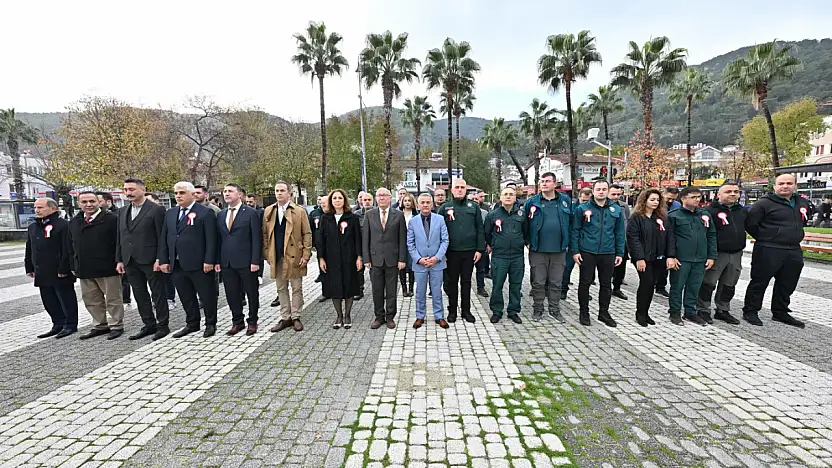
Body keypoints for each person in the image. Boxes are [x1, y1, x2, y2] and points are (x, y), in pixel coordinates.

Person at [742, 174, 809, 328]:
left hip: (793, 249)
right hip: (768, 248)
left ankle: (780, 312)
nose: (785, 186)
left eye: (789, 183)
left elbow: (803, 220)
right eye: (781, 183)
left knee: (788, 282)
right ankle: (751, 310)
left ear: (795, 186)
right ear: (774, 186)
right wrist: (767, 237)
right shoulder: (763, 204)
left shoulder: (801, 202)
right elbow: (751, 224)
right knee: (760, 281)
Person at [159, 182, 218, 338]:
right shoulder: (170, 213)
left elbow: (212, 239)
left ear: (192, 194)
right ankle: (192, 323)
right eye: (176, 193)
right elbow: (165, 237)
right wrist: (164, 259)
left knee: (207, 295)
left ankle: (210, 323)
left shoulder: (205, 212)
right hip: (177, 263)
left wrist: (209, 260)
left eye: (182, 193)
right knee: (186, 295)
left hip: (199, 263)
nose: (178, 196)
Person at [116, 178, 170, 341]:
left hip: (150, 259)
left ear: (143, 190)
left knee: (158, 293)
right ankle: (149, 324)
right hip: (130, 260)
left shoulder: (156, 210)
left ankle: (163, 325)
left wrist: (160, 258)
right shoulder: (122, 211)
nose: (128, 193)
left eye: (132, 189)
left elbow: (162, 236)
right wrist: (119, 259)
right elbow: (120, 237)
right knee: (139, 294)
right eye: (126, 190)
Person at [68, 192, 124, 340]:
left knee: (113, 299)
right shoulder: (74, 222)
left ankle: (116, 325)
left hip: (107, 267)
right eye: (84, 202)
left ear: (99, 202)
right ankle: (100, 325)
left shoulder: (112, 219)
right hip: (85, 268)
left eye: (92, 201)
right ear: (79, 204)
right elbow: (70, 245)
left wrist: (119, 261)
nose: (88, 204)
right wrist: (73, 264)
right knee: (91, 300)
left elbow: (119, 243)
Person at [571, 180, 625, 327]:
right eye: (598, 189)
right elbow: (575, 230)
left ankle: (604, 313)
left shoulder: (616, 209)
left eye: (604, 189)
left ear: (608, 191)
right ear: (593, 191)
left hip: (608, 252)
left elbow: (620, 233)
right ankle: (584, 312)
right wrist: (575, 251)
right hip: (587, 251)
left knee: (606, 284)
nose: (601, 192)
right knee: (585, 283)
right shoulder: (582, 209)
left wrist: (620, 253)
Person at [263, 181, 313, 332]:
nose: (279, 193)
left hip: (295, 255)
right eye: (277, 190)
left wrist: (306, 254)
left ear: (289, 193)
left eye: (282, 190)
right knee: (281, 288)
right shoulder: (269, 211)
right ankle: (285, 317)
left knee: (296, 287)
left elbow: (307, 234)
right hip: (277, 255)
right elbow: (265, 234)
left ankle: (296, 316)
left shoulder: (299, 211)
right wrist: (267, 253)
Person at [26, 198, 78, 339]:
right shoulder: (33, 226)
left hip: (59, 271)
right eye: (35, 207)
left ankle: (70, 324)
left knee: (65, 298)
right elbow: (30, 247)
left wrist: (64, 268)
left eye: (40, 207)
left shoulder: (63, 225)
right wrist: (29, 266)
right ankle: (57, 323)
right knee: (49, 300)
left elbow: (67, 249)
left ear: (53, 208)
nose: (37, 210)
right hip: (42, 270)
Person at [524, 172, 573, 322]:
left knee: (556, 282)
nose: (544, 183)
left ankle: (554, 309)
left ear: (555, 184)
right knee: (538, 282)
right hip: (538, 249)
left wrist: (568, 242)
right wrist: (527, 241)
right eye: (542, 181)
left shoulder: (565, 200)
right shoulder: (532, 202)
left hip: (559, 249)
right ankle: (538, 309)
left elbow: (571, 222)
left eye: (547, 181)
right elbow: (524, 223)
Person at [696, 181, 746, 325]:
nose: (732, 194)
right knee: (708, 283)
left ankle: (723, 310)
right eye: (728, 191)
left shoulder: (742, 211)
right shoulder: (708, 211)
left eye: (736, 192)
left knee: (729, 284)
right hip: (716, 254)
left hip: (736, 254)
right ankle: (703, 309)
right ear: (718, 194)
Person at [665, 187, 717, 326]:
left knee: (694, 287)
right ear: (683, 198)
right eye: (693, 197)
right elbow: (669, 238)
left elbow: (711, 235)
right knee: (677, 287)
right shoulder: (674, 215)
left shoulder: (704, 215)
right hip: (681, 258)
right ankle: (675, 312)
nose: (697, 200)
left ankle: (690, 312)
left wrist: (711, 256)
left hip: (700, 259)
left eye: (699, 197)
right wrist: (671, 256)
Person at [216, 183, 262, 336]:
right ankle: (237, 321)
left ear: (239, 194)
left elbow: (256, 239)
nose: (226, 193)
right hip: (227, 262)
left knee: (251, 293)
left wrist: (255, 261)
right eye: (225, 191)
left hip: (247, 261)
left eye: (230, 191)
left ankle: (252, 321)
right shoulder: (221, 214)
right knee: (232, 293)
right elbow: (219, 239)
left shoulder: (250, 213)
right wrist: (218, 261)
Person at [438, 178, 485, 323]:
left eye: (462, 187)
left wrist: (479, 249)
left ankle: (466, 311)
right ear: (452, 190)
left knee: (466, 282)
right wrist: (441, 252)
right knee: (452, 283)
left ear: (466, 190)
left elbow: (480, 229)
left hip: (469, 252)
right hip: (451, 252)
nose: (459, 190)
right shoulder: (445, 208)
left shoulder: (474, 207)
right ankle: (452, 311)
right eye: (457, 187)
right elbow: (438, 231)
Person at [362, 188, 407, 329]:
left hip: (392, 259)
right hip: (375, 259)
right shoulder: (369, 215)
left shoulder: (399, 215)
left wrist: (402, 259)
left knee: (391, 290)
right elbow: (365, 238)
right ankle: (379, 317)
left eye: (384, 195)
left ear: (390, 198)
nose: (381, 198)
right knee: (377, 290)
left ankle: (390, 317)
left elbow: (402, 238)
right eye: (379, 195)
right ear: (376, 198)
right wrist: (366, 259)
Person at [318, 189, 363, 329]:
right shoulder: (325, 218)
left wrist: (359, 257)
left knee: (349, 285)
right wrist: (321, 258)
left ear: (344, 200)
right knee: (335, 287)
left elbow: (357, 238)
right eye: (334, 198)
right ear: (331, 201)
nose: (337, 200)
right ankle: (339, 315)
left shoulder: (352, 218)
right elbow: (320, 240)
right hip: (331, 259)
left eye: (340, 198)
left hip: (349, 258)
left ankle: (348, 315)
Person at [626, 189, 668, 327]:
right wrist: (639, 258)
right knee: (646, 283)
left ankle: (646, 312)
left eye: (657, 200)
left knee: (651, 285)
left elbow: (668, 236)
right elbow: (633, 239)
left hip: (658, 257)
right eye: (652, 200)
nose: (655, 202)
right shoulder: (636, 217)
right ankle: (640, 313)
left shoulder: (661, 217)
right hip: (643, 258)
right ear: (644, 200)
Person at [485, 187, 527, 324]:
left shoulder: (522, 214)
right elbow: (487, 234)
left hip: (517, 256)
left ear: (515, 198)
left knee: (516, 285)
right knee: (497, 285)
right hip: (499, 256)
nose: (508, 196)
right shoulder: (492, 215)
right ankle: (497, 311)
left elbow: (526, 232)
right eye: (505, 194)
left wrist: (522, 243)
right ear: (501, 197)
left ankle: (513, 311)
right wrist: (494, 244)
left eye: (511, 194)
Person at [408, 194, 450, 329]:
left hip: (436, 262)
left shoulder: (440, 219)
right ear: (418, 205)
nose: (425, 205)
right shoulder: (413, 221)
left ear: (432, 204)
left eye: (428, 202)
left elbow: (445, 240)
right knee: (420, 291)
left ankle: (439, 316)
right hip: (420, 263)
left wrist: (436, 258)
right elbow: (410, 243)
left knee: (437, 291)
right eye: (422, 202)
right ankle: (420, 316)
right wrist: (419, 259)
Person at [144, 193, 176, 309]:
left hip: (162, 251)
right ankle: (156, 299)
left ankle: (170, 298)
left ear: (156, 201)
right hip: (148, 253)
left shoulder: (161, 212)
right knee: (154, 281)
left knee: (166, 277)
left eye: (149, 200)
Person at [560, 188, 592, 300]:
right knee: (567, 267)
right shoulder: (572, 208)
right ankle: (563, 290)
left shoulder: (594, 208)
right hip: (572, 243)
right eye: (583, 200)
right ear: (579, 197)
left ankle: (584, 292)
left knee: (586, 271)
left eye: (587, 200)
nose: (585, 203)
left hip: (587, 243)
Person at [609, 184, 631, 300]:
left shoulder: (624, 206)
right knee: (607, 267)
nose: (616, 197)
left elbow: (627, 222)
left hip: (621, 241)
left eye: (618, 194)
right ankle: (606, 288)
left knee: (621, 267)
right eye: (613, 194)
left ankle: (617, 288)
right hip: (608, 242)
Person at [353, 192, 374, 300]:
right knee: (359, 269)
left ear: (373, 201)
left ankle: (378, 290)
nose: (367, 202)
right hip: (360, 245)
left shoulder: (377, 212)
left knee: (375, 270)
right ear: (361, 201)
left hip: (374, 246)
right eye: (365, 200)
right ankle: (359, 290)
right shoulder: (356, 214)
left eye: (369, 200)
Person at [397, 192, 418, 297]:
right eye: (405, 201)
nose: (407, 203)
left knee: (411, 267)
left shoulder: (416, 215)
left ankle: (411, 288)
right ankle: (404, 289)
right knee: (401, 267)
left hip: (413, 243)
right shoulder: (398, 214)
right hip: (400, 243)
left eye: (409, 200)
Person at [308, 195, 328, 303]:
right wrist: (311, 245)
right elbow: (310, 229)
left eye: (325, 202)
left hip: (332, 246)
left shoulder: (332, 213)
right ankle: (325, 292)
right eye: (321, 202)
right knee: (322, 269)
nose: (323, 204)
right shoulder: (314, 214)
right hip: (320, 246)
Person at [474, 195, 491, 298]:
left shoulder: (485, 213)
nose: (474, 201)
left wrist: (488, 244)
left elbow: (488, 230)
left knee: (480, 269)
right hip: (468, 246)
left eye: (476, 199)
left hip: (481, 245)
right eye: (472, 199)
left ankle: (481, 287)